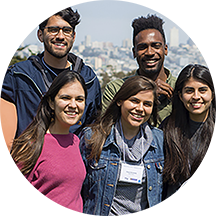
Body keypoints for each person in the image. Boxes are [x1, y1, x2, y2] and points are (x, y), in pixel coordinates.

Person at [0, 8, 101, 152]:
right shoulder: (19, 75)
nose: (60, 36)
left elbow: (93, 126)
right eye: (53, 30)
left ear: (73, 36)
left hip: (72, 164)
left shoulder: (88, 78)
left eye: (66, 31)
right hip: (28, 165)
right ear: (40, 35)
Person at [80, 76, 164, 216]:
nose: (140, 108)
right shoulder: (93, 137)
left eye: (147, 104)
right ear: (120, 101)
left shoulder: (159, 140)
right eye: (134, 101)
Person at [11, 71, 87, 216]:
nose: (73, 105)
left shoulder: (76, 141)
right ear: (51, 102)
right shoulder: (31, 144)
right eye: (65, 98)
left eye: (79, 99)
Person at [102, 14, 176, 125]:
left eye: (155, 46)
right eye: (142, 47)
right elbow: (105, 127)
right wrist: (148, 94)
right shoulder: (116, 89)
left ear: (165, 49)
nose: (150, 52)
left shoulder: (180, 88)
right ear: (134, 52)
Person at [162, 64, 216, 189]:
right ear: (180, 96)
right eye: (189, 91)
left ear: (212, 95)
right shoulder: (167, 129)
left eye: (202, 90)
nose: (196, 97)